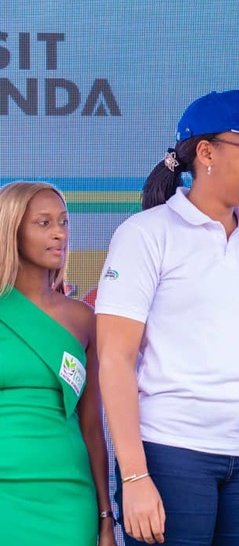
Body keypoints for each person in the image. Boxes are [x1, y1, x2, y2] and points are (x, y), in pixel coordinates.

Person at [96, 90, 239, 546]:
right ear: (206, 153)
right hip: (171, 454)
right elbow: (115, 359)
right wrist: (135, 477)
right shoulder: (144, 234)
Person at [0, 182, 116, 545]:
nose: (59, 234)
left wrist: (106, 519)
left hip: (69, 496)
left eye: (64, 222)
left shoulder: (85, 320)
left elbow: (92, 428)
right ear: (12, 230)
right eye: (44, 223)